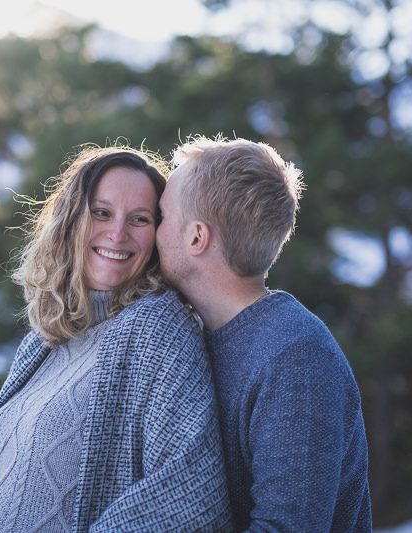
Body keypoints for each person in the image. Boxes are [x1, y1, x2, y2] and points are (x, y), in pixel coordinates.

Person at [0, 145, 232, 532]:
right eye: (101, 213)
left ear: (158, 233)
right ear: (71, 219)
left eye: (139, 219)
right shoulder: (45, 341)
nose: (118, 233)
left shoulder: (156, 327)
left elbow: (192, 494)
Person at [156, 135, 372, 532]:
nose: (152, 230)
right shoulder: (192, 338)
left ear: (196, 237)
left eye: (163, 215)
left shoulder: (295, 356)